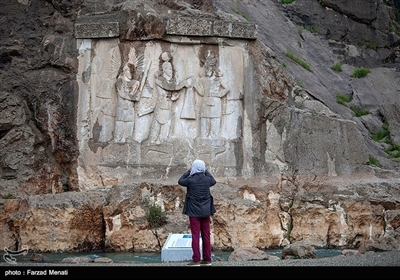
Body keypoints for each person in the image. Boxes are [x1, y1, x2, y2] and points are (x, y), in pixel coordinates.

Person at [178, 159, 217, 266]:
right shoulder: (207, 179)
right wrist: (206, 171)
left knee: (195, 235)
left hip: (194, 212)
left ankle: (196, 260)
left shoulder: (190, 180)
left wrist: (188, 171)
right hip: (206, 211)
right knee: (206, 235)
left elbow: (180, 181)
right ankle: (207, 259)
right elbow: (213, 181)